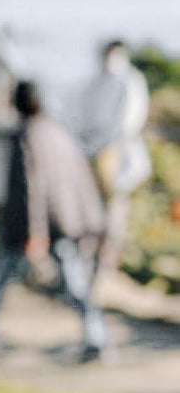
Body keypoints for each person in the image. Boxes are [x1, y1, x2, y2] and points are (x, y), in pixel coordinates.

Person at [0, 79, 107, 362]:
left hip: (28, 227)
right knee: (75, 283)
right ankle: (96, 337)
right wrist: (90, 220)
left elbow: (31, 186)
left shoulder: (25, 135)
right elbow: (80, 178)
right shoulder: (59, 132)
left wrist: (36, 233)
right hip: (65, 221)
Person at [77, 39, 151, 274]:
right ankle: (90, 257)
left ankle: (107, 258)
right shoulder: (96, 82)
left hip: (116, 150)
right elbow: (86, 115)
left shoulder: (130, 80)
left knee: (114, 208)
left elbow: (130, 120)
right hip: (95, 149)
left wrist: (112, 144)